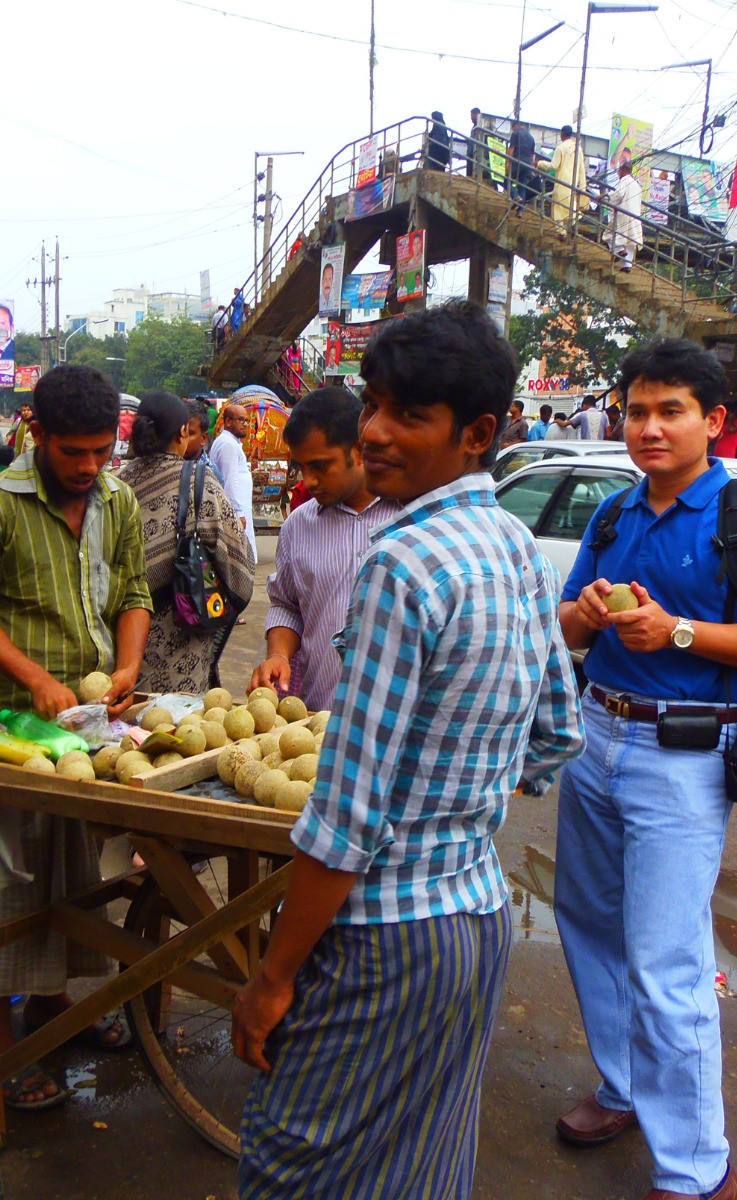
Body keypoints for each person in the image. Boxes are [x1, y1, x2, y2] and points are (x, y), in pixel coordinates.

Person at [233, 301, 584, 1199]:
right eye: (375, 406)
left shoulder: (403, 561)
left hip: (383, 932)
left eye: (407, 416)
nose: (377, 433)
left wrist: (274, 976)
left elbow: (348, 817)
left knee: (293, 1167)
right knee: (419, 1165)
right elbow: (555, 731)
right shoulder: (513, 542)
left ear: (475, 433)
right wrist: (461, 802)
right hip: (474, 913)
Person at [554, 338, 737, 1200]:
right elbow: (564, 627)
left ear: (713, 422)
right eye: (636, 410)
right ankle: (625, 1089)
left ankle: (698, 1167)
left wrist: (678, 632)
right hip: (597, 739)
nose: (649, 427)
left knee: (666, 961)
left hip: (686, 758)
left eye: (670, 411)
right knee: (588, 926)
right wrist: (587, 613)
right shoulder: (613, 513)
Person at [0, 363, 152, 1112]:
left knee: (78, 878)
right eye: (76, 453)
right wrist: (33, 675)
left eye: (103, 451)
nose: (91, 467)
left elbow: (131, 591)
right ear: (36, 433)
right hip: (14, 727)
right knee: (11, 888)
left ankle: (52, 1009)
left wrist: (128, 664)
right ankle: (0, 1045)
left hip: (95, 727)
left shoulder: (117, 499)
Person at [250, 387, 403, 711]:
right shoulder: (298, 527)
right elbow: (286, 605)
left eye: (320, 466)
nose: (309, 481)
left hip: (394, 732)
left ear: (359, 450)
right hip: (315, 724)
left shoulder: (411, 520)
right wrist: (278, 655)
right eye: (302, 468)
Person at [114, 392, 253, 694]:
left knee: (127, 735)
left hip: (119, 647)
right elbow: (241, 572)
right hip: (183, 640)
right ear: (181, 433)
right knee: (179, 732)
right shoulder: (197, 482)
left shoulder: (115, 485)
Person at [211, 402, 257, 562]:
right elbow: (229, 480)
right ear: (228, 421)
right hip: (236, 511)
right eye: (241, 420)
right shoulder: (227, 445)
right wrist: (237, 512)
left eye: (247, 421)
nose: (245, 424)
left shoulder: (231, 443)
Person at [549, 124, 587, 230]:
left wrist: (540, 164)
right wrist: (583, 186)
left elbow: (553, 165)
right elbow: (581, 169)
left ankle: (561, 232)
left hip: (561, 182)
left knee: (557, 207)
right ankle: (568, 228)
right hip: (573, 183)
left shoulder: (560, 148)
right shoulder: (578, 149)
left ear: (562, 134)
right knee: (569, 207)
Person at [608, 162, 644, 272]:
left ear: (623, 170)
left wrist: (608, 197)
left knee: (610, 234)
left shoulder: (624, 180)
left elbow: (618, 194)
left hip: (623, 213)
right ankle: (627, 266)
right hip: (635, 215)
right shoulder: (637, 183)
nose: (618, 174)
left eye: (619, 171)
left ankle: (619, 250)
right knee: (631, 240)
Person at [509, 119, 537, 206]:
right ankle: (520, 210)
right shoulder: (531, 138)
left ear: (516, 125)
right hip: (528, 164)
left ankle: (516, 196)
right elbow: (532, 155)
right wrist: (532, 168)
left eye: (512, 128)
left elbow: (511, 149)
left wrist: (508, 162)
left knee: (506, 179)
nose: (512, 130)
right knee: (522, 186)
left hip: (518, 162)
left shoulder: (515, 134)